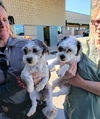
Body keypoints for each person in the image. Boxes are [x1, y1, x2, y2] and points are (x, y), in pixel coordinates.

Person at [0, 2, 47, 119]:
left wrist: (41, 76)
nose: (2, 24)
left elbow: (46, 69)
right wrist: (18, 84)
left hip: (37, 109)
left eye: (5, 19)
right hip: (8, 113)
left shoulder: (26, 46)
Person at [63, 7, 100, 119]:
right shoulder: (78, 44)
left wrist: (80, 82)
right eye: (98, 21)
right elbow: (62, 66)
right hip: (73, 110)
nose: (99, 27)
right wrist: (64, 71)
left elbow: (75, 80)